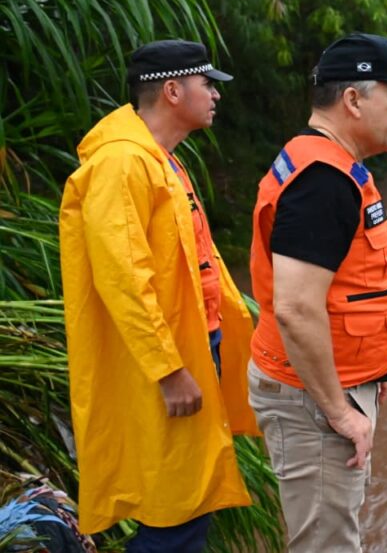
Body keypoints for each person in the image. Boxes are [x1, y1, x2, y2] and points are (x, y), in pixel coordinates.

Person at [59, 40, 258, 552]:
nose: (214, 94)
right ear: (173, 90)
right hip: (166, 367)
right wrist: (169, 371)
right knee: (175, 514)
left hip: (193, 349)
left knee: (192, 499)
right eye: (206, 84)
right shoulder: (122, 165)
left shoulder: (162, 161)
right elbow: (123, 279)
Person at [248, 32, 387, 551]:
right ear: (353, 99)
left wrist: (375, 373)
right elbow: (297, 307)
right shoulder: (322, 180)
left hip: (333, 385)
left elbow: (350, 288)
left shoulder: (328, 165)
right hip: (313, 400)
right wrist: (339, 410)